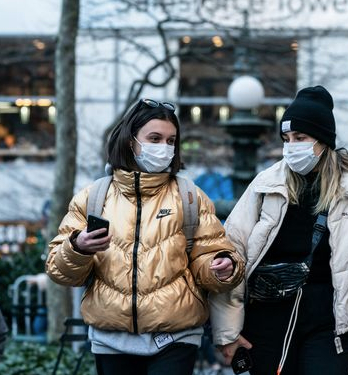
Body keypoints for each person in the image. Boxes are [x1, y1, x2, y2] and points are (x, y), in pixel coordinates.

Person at [210, 86, 348, 375]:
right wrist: (227, 333)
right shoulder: (265, 185)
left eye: (300, 138)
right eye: (287, 139)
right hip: (266, 321)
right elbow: (232, 253)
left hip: (331, 325)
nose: (291, 146)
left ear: (323, 141)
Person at [46, 98, 245, 375]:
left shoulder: (189, 196)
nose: (164, 147)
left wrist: (222, 267)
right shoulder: (94, 196)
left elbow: (210, 255)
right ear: (131, 141)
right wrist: (78, 247)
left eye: (170, 140)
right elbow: (58, 269)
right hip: (111, 339)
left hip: (176, 337)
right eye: (155, 138)